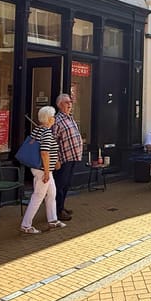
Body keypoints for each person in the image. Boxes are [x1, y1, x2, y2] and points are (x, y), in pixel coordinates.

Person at [19, 106, 67, 234]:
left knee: (52, 194)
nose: (54, 119)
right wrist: (46, 172)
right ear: (49, 118)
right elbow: (44, 152)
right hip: (43, 170)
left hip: (42, 169)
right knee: (38, 196)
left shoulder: (38, 130)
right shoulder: (46, 132)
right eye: (53, 117)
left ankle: (53, 220)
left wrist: (53, 163)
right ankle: (26, 225)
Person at [52, 93, 83, 222]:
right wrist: (56, 159)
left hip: (72, 157)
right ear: (59, 105)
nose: (70, 104)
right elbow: (53, 141)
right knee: (60, 185)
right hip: (63, 159)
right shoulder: (57, 121)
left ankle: (62, 207)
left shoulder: (70, 118)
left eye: (70, 102)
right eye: (66, 102)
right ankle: (57, 211)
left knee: (66, 184)